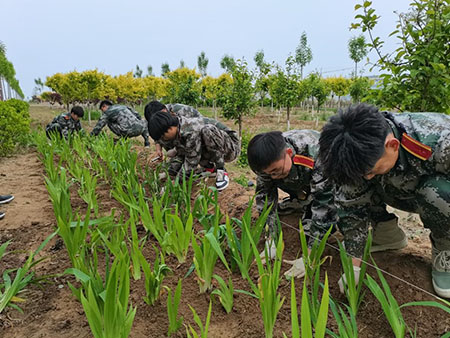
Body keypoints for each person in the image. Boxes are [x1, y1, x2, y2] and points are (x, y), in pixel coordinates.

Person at [318, 103, 450, 298]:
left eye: (371, 170)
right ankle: (387, 233)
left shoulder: (440, 139)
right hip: (398, 188)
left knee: (436, 192)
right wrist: (354, 268)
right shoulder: (355, 154)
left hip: (435, 192)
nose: (367, 177)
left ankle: (445, 250)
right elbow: (352, 208)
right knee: (355, 184)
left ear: (392, 145)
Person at [247, 130, 338, 277]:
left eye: (275, 170)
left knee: (317, 223)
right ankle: (300, 200)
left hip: (332, 180)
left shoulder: (317, 154)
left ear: (289, 153)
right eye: (269, 173)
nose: (273, 176)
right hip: (299, 177)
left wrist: (309, 256)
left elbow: (324, 206)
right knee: (280, 177)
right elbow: (265, 200)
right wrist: (272, 240)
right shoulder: (267, 164)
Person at [147, 111, 240, 191]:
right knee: (191, 147)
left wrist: (174, 183)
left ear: (170, 129)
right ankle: (210, 168)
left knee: (207, 131)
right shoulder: (177, 130)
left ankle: (221, 170)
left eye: (163, 137)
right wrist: (170, 172)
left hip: (230, 148)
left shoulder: (190, 130)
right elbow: (182, 155)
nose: (163, 140)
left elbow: (191, 160)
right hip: (211, 147)